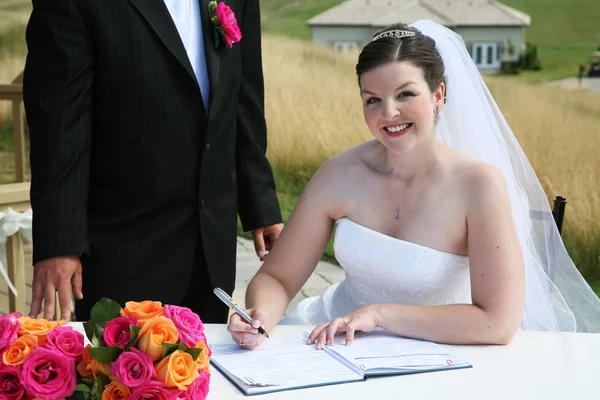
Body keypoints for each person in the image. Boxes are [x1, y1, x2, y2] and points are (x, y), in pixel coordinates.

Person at [228, 20, 600, 350]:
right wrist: (261, 313)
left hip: (436, 350)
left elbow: (497, 322)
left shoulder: (478, 185)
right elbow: (276, 277)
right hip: (331, 341)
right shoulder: (338, 174)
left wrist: (381, 315)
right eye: (372, 99)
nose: (388, 113)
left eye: (405, 94)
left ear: (438, 95)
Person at [23, 0, 283, 323]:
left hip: (211, 246)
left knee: (207, 369)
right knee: (118, 371)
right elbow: (59, 124)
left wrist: (260, 201)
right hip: (123, 246)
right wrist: (58, 243)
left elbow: (243, 98)